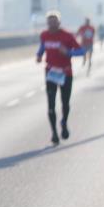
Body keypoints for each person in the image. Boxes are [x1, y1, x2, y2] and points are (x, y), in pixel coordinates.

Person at [36, 10, 84, 145]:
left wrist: (68, 52)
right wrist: (39, 56)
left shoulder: (67, 36)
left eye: (54, 22)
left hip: (65, 73)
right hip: (51, 73)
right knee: (51, 104)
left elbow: (81, 51)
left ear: (59, 22)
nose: (51, 25)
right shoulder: (44, 35)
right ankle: (54, 133)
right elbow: (42, 48)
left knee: (65, 103)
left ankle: (64, 122)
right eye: (49, 22)